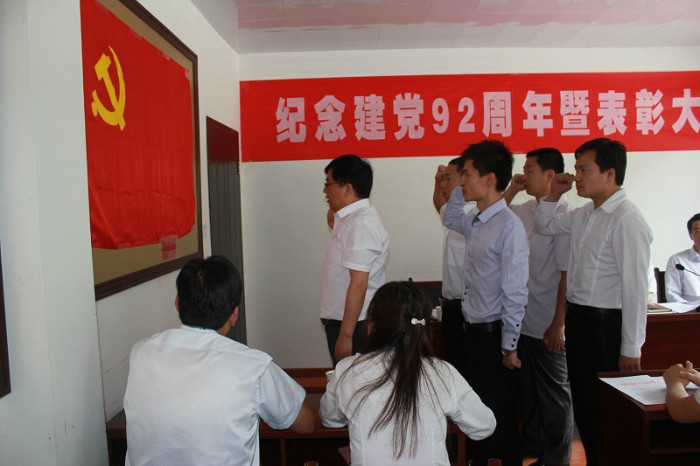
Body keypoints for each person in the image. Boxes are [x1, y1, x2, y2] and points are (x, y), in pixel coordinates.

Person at [123, 256, 314, 466]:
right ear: (234, 315)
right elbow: (305, 424)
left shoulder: (140, 353)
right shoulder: (253, 367)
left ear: (177, 303)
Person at [534, 137, 653, 465]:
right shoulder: (584, 214)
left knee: (607, 414)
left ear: (610, 174)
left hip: (606, 328)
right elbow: (543, 225)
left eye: (584, 170)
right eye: (576, 169)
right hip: (580, 322)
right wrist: (554, 194)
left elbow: (634, 288)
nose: (577, 177)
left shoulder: (627, 218)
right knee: (585, 409)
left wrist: (631, 347)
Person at [320, 281, 496, 466]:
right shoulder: (443, 372)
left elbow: (330, 419)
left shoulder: (347, 370)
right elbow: (484, 426)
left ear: (372, 324)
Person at [442, 140, 529, 466]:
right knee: (477, 409)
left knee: (498, 412)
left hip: (493, 336)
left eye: (466, 174)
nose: (461, 181)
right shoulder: (475, 220)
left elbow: (515, 291)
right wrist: (458, 188)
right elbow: (450, 215)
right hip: (472, 331)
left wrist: (509, 347)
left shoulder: (508, 226)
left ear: (489, 178)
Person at [503, 147, 573, 466]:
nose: (524, 174)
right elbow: (490, 215)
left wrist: (559, 322)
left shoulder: (565, 216)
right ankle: (536, 452)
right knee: (530, 394)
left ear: (550, 175)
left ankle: (557, 458)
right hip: (524, 320)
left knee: (554, 396)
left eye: (530, 169)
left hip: (548, 321)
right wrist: (512, 189)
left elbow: (565, 275)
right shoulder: (525, 209)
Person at [321, 154, 390, 366]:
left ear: (348, 188)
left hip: (355, 325)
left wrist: (346, 335)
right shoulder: (350, 219)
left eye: (328, 184)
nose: (324, 191)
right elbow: (331, 218)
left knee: (354, 381)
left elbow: (359, 283)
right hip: (347, 321)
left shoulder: (361, 224)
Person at [432, 156, 474, 373]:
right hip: (450, 306)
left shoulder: (472, 212)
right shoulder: (453, 213)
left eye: (448, 179)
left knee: (468, 368)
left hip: (468, 306)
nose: (443, 185)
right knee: (454, 365)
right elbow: (439, 204)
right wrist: (437, 180)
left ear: (464, 179)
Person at [664, 213, 700, 303]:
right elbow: (672, 295)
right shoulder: (677, 261)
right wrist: (690, 308)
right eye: (697, 231)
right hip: (690, 310)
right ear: (691, 235)